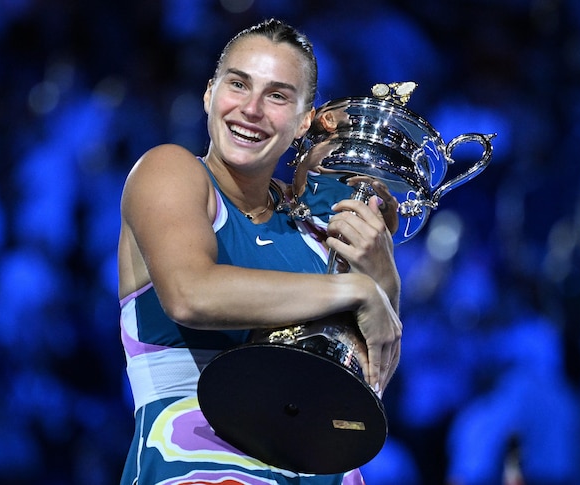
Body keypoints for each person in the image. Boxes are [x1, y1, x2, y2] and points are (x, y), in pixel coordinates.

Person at [117, 18, 403, 484]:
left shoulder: (317, 226)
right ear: (209, 94)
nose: (251, 109)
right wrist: (354, 291)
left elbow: (363, 384)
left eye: (277, 95)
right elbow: (191, 293)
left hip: (320, 468)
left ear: (303, 121)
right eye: (238, 84)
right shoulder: (169, 171)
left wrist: (382, 278)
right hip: (197, 463)